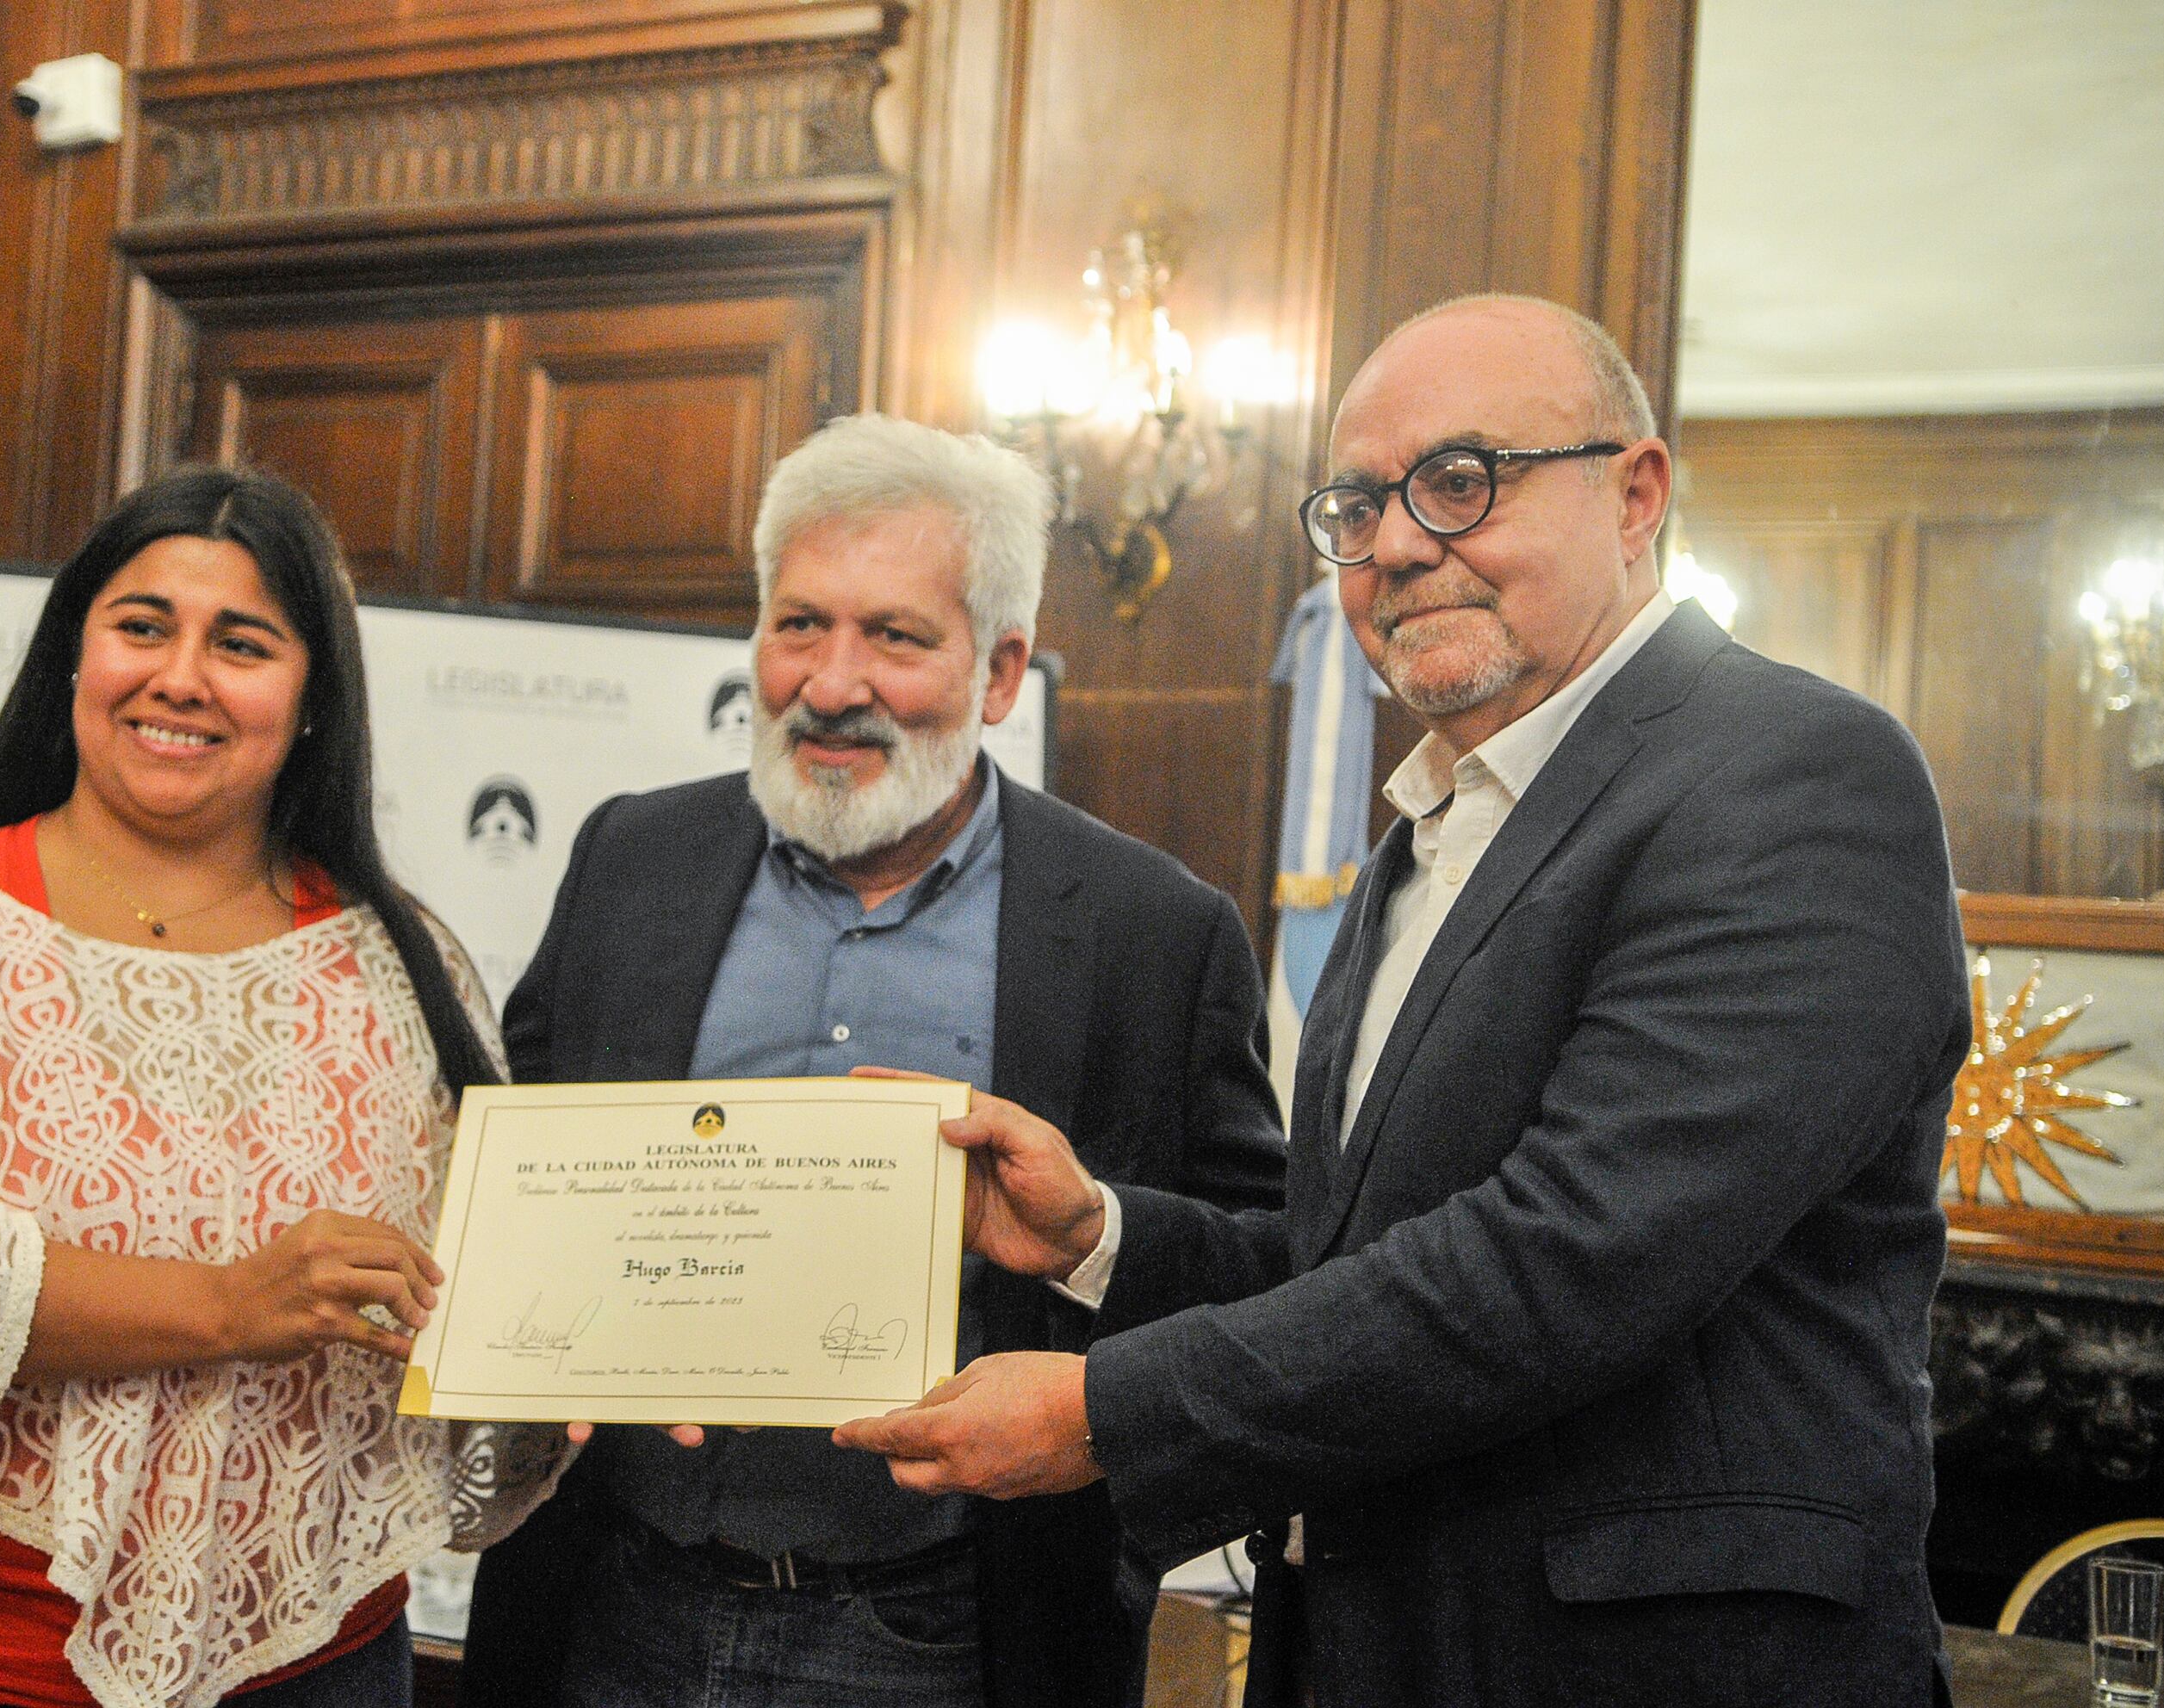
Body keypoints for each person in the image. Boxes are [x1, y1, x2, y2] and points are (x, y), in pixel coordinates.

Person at [835, 296, 1972, 1708]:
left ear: (1638, 492)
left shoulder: (1792, 774)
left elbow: (1567, 1261)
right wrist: (1101, 1234)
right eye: (1360, 503)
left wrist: (1105, 1410)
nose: (1397, 544)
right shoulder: (1424, 836)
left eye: (1461, 481)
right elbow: (1361, 1262)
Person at [0, 467, 571, 1708]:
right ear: (73, 656)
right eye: (142, 626)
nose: (181, 677)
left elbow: (470, 1280)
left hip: (307, 1668)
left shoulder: (401, 961)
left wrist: (559, 1346)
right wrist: (228, 1303)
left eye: (244, 643)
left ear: (314, 695)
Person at [461, 413, 1289, 1708]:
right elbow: (503, 1167)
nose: (831, 683)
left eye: (895, 637)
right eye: (799, 625)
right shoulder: (632, 861)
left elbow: (1267, 1266)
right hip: (616, 1605)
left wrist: (1094, 1233)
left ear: (1002, 672)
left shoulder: (1152, 933)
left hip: (955, 1635)